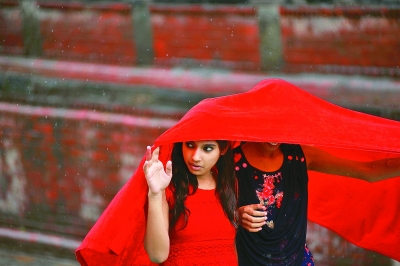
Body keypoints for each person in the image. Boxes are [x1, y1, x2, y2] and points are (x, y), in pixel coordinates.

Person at [234, 141, 400, 266]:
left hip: (296, 260)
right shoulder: (229, 160)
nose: (272, 135)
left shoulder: (301, 155)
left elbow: (368, 171)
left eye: (278, 123)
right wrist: (235, 215)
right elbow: (210, 206)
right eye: (266, 124)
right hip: (247, 258)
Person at [143, 140, 238, 265]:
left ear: (223, 149)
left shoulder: (228, 184)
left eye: (207, 149)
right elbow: (158, 256)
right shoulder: (167, 185)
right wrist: (155, 195)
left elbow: (230, 248)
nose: (195, 157)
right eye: (190, 145)